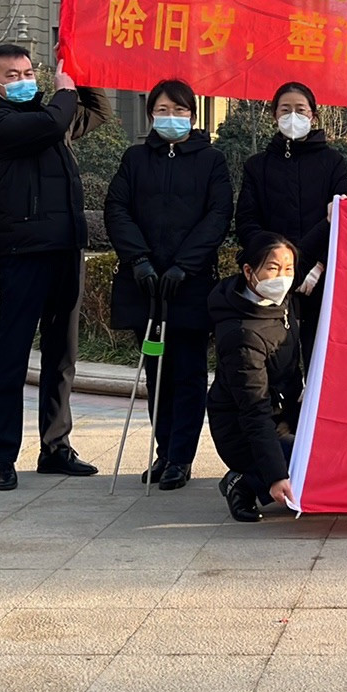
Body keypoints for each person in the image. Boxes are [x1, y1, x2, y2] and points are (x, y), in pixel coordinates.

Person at [0, 44, 111, 491]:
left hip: (65, 247)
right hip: (23, 252)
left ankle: (56, 447)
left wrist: (80, 64)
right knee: (12, 355)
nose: (23, 80)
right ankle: (3, 456)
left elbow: (98, 112)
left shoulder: (50, 116)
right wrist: (63, 93)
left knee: (62, 355)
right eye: (12, 75)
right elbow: (49, 123)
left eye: (29, 72)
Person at [104, 79, 233, 491]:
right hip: (145, 285)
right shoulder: (135, 158)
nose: (171, 118)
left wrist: (184, 265)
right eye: (162, 110)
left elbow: (218, 215)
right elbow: (117, 208)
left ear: (192, 115)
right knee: (156, 371)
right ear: (150, 115)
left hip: (188, 285)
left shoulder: (211, 160)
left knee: (189, 372)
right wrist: (139, 259)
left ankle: (181, 456)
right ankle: (164, 450)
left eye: (179, 111)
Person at [207, 229, 325, 522]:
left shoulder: (278, 295)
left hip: (284, 413)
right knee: (316, 468)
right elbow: (254, 411)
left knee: (339, 454)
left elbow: (305, 253)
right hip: (244, 430)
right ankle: (244, 482)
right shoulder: (241, 335)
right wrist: (275, 476)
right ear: (249, 271)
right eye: (273, 268)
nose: (282, 278)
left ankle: (280, 465)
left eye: (288, 269)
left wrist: (329, 220)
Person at [234, 82, 347, 364]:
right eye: (285, 110)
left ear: (313, 115)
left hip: (321, 278)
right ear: (274, 115)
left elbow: (342, 219)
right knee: (271, 360)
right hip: (269, 280)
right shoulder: (257, 165)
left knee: (319, 359)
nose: (293, 116)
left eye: (301, 109)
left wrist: (317, 265)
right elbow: (247, 221)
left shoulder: (333, 162)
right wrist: (273, 266)